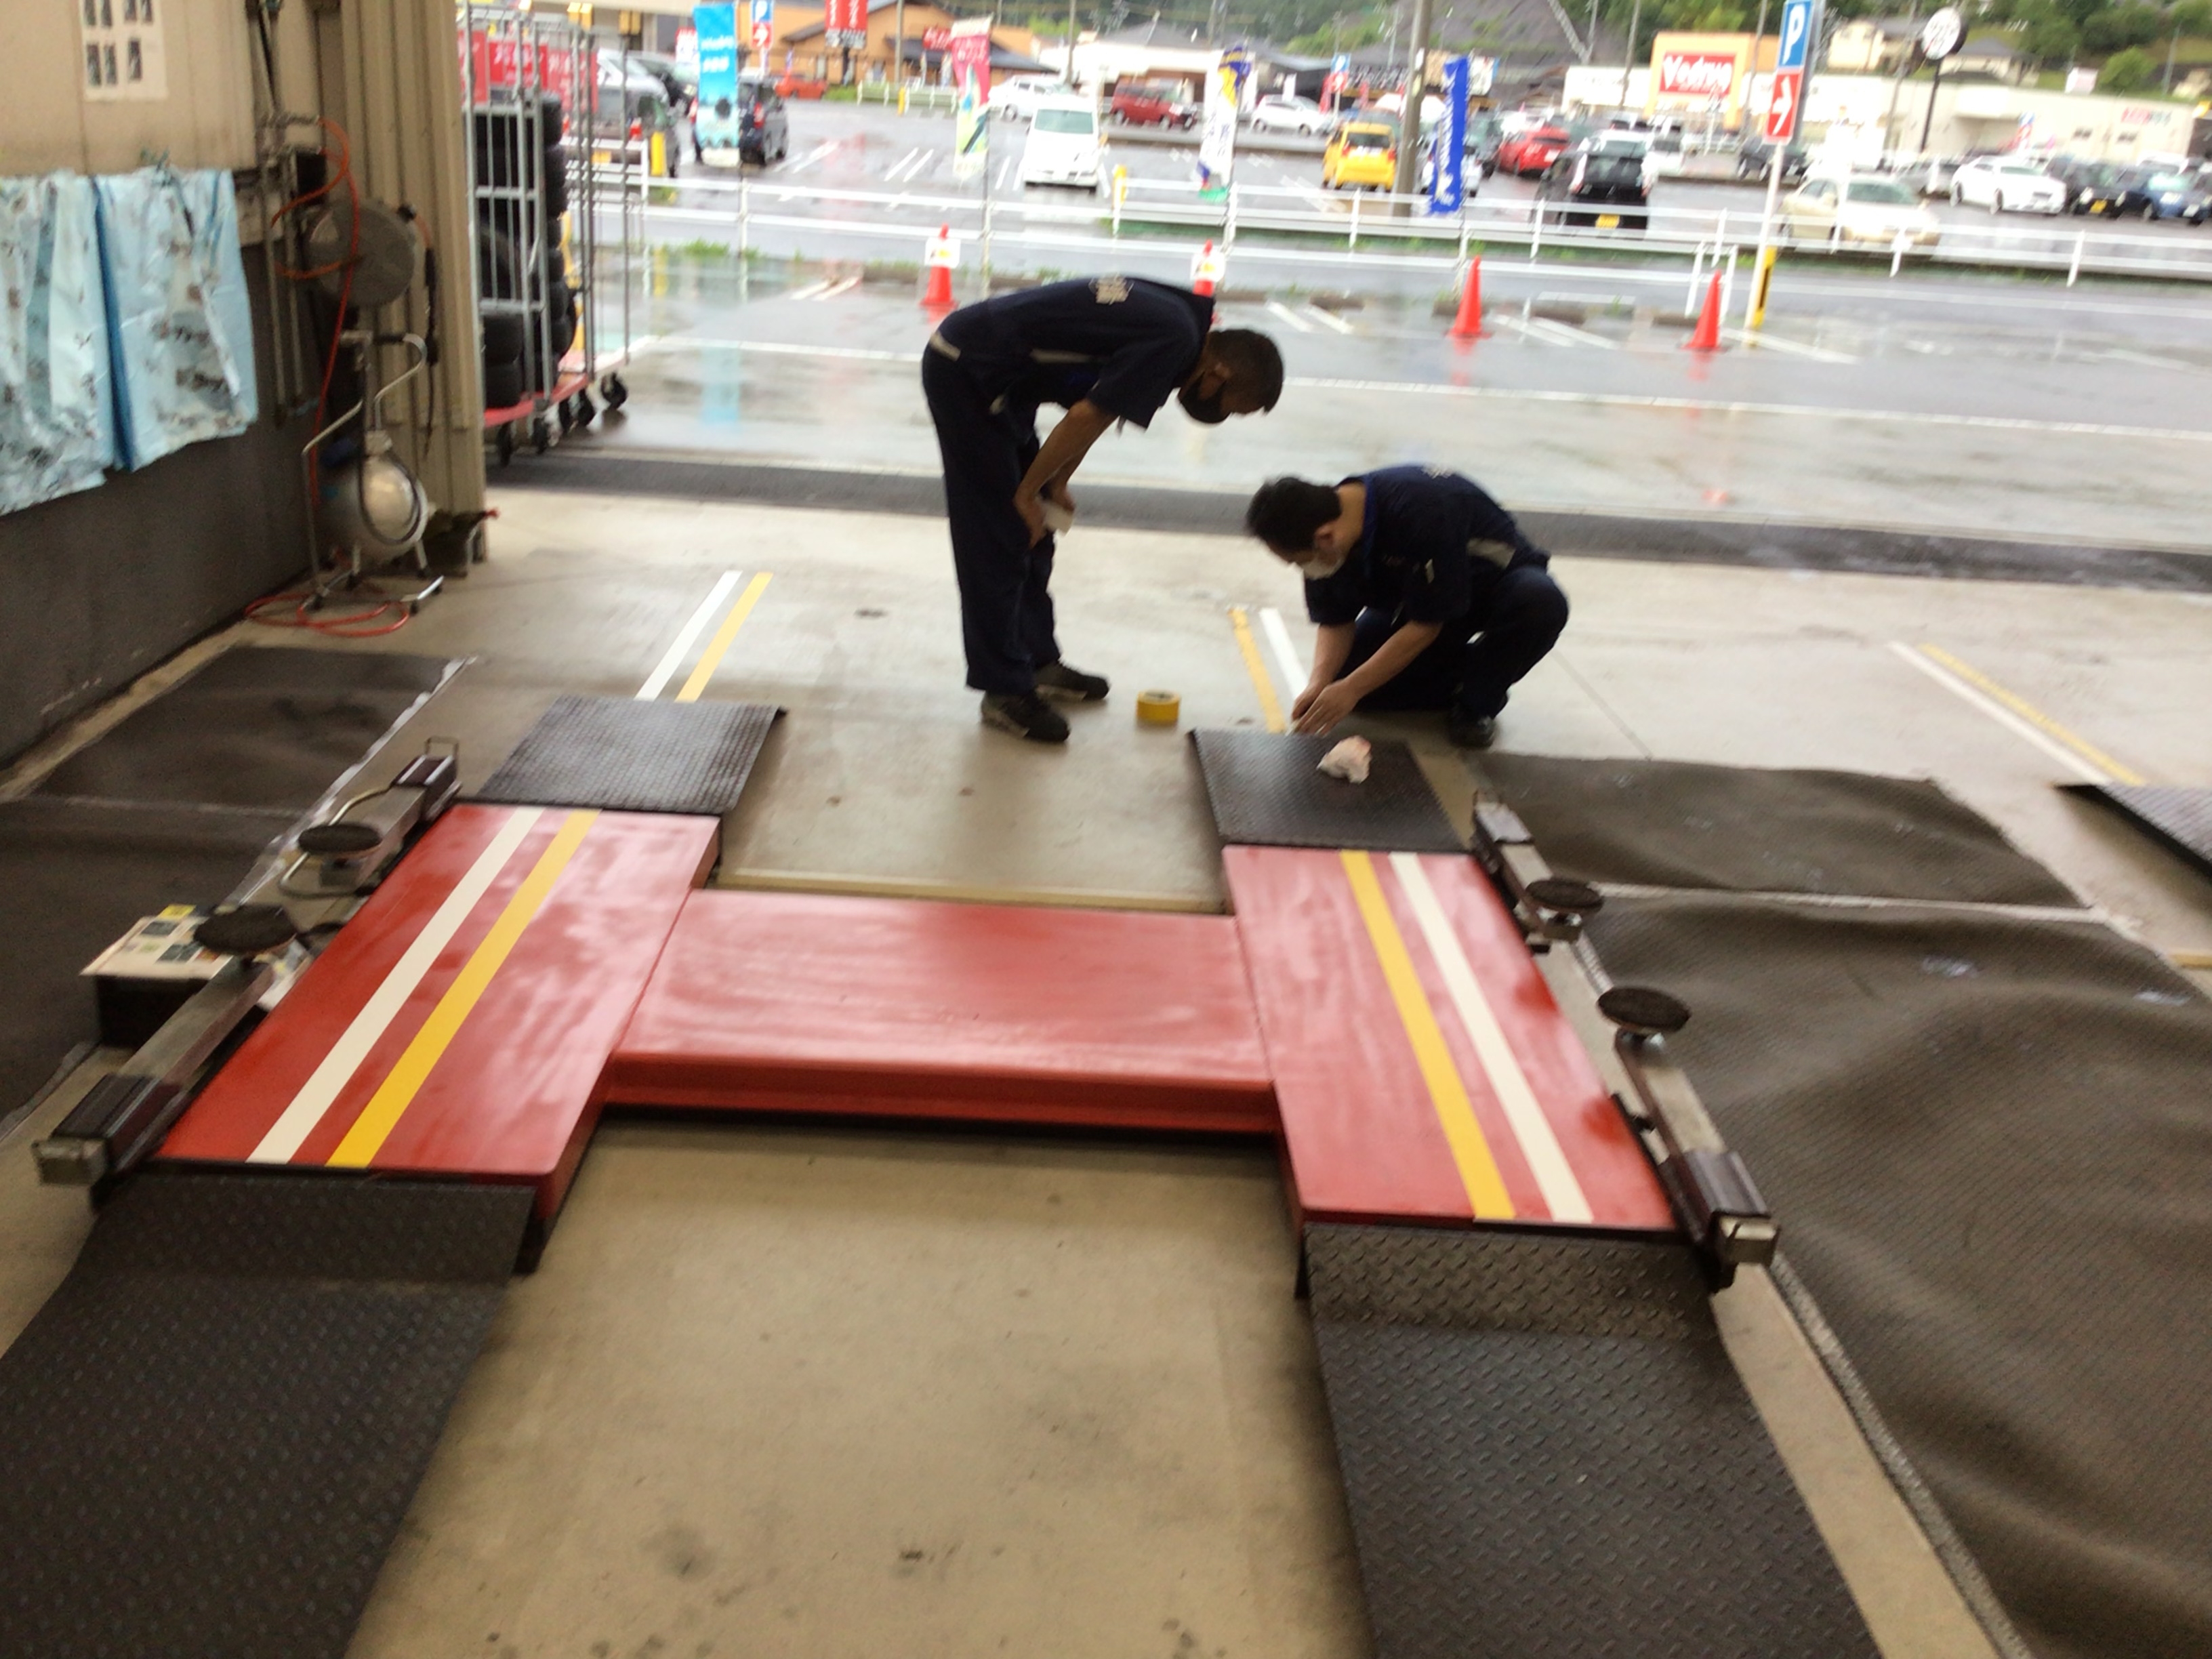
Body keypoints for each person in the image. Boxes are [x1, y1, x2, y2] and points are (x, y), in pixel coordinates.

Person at [923, 276, 1284, 743]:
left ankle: (1036, 661)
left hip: (1006, 378)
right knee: (1001, 533)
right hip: (967, 370)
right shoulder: (1176, 342)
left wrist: (1054, 483)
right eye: (1235, 408)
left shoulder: (1186, 331)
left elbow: (1097, 409)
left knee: (1037, 527)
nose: (1225, 416)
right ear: (1219, 375)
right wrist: (1025, 494)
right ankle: (1004, 689)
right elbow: (1086, 416)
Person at [1243, 466, 1568, 750]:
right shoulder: (1327, 531)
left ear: (1326, 538)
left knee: (1540, 602)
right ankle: (1465, 675)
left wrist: (1352, 688)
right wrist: (1320, 684)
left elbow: (1426, 626)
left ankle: (1478, 701)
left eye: (1298, 561)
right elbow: (1335, 620)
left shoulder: (1422, 510)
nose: (1303, 569)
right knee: (1351, 685)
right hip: (1421, 598)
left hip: (1494, 587)